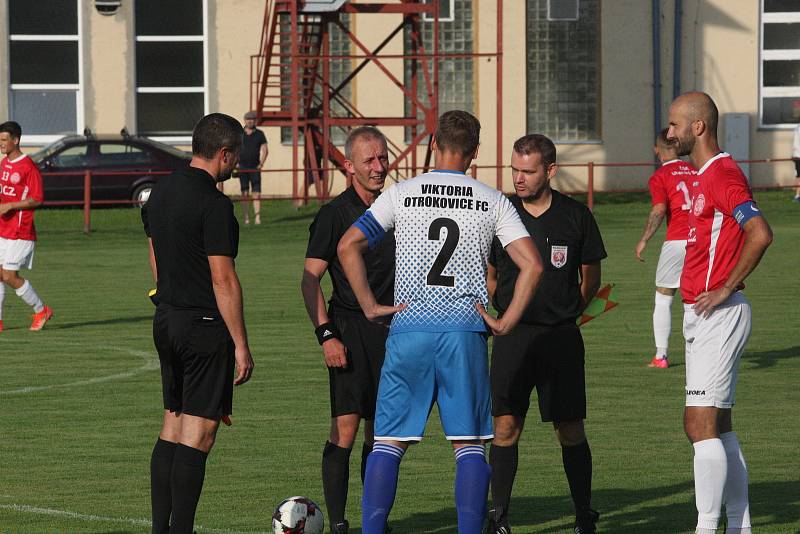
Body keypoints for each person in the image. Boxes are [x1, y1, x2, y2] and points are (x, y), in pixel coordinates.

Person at [338, 110, 543, 534]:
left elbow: (347, 246)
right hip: (463, 333)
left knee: (387, 442)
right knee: (468, 445)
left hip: (409, 329)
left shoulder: (401, 194)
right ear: (475, 153)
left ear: (433, 144)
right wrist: (505, 322)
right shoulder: (491, 200)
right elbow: (533, 266)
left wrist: (370, 306)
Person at [484, 134, 606, 534]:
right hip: (512, 337)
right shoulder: (499, 214)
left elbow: (590, 279)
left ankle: (584, 513)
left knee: (569, 429)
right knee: (505, 428)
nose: (519, 179)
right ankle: (499, 517)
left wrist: (565, 314)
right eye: (515, 170)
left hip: (560, 340)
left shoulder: (576, 216)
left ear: (550, 171)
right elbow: (490, 276)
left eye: (528, 171)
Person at [142, 113, 255, 534]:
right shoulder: (215, 204)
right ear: (224, 153)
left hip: (166, 319)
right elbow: (222, 277)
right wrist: (241, 345)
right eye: (236, 155)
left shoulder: (160, 191)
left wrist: (167, 290)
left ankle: (161, 528)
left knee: (172, 424)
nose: (237, 163)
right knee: (200, 433)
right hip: (203, 326)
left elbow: (154, 250)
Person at [667, 92, 773, 534]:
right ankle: (740, 525)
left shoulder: (722, 175)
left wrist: (725, 287)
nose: (668, 132)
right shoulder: (705, 175)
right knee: (718, 426)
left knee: (698, 424)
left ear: (698, 127)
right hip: (704, 314)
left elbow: (760, 233)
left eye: (674, 125)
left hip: (720, 312)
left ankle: (706, 527)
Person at [300, 126, 395, 534]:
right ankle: (338, 523)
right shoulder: (334, 215)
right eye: (369, 160)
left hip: (394, 332)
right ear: (348, 165)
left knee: (384, 433)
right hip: (349, 331)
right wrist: (327, 335)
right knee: (346, 426)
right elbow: (309, 281)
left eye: (383, 158)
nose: (378, 167)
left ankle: (376, 521)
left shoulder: (400, 206)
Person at [635, 128, 697, 368]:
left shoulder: (660, 176)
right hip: (701, 240)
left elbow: (659, 210)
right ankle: (699, 351)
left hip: (677, 241)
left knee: (664, 297)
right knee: (695, 298)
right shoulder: (695, 170)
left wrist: (644, 239)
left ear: (656, 150)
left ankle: (661, 356)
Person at [0, 121, 52, 332]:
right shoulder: (4, 164)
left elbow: (37, 198)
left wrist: (11, 205)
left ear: (16, 140)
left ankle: (41, 310)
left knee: (9, 276)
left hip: (21, 231)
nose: (1, 144)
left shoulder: (28, 166)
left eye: (4, 140)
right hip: (3, 228)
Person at [238, 110, 268, 225]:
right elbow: (234, 148)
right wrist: (235, 162)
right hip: (242, 167)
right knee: (244, 193)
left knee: (256, 193)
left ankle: (257, 218)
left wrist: (261, 164)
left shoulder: (260, 134)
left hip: (255, 167)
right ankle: (246, 218)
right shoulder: (239, 133)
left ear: (255, 121)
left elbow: (265, 149)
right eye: (248, 119)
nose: (250, 121)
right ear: (245, 120)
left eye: (252, 119)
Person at [792, 122, 800, 202]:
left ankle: (797, 194)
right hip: (798, 155)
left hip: (796, 154)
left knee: (798, 176)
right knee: (799, 176)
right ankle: (797, 195)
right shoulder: (798, 128)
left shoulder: (797, 127)